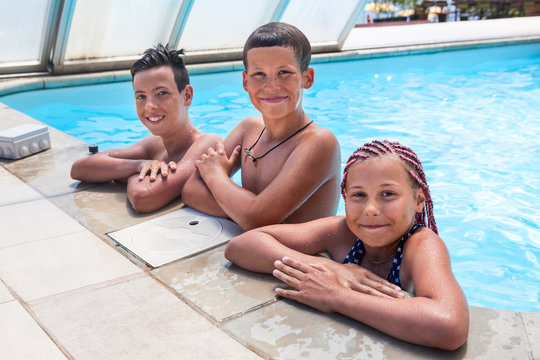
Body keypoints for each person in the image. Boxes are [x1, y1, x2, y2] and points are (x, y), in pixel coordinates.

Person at [225, 140, 469, 350]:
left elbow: (449, 324)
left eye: (388, 194)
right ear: (345, 198)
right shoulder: (342, 233)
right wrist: (330, 268)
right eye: (358, 195)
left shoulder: (422, 245)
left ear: (418, 200)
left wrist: (337, 297)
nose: (371, 210)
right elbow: (241, 245)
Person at [181, 22, 341, 230]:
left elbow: (256, 219)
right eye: (259, 75)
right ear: (246, 82)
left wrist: (215, 176)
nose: (271, 86)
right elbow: (191, 190)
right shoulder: (248, 129)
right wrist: (245, 210)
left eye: (284, 72)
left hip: (302, 258)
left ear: (306, 78)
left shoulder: (319, 143)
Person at [71, 44, 220, 213]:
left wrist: (124, 175)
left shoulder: (208, 144)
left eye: (161, 93)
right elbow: (80, 168)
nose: (149, 106)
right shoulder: (155, 146)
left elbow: (143, 197)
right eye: (141, 96)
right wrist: (139, 165)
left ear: (187, 95)